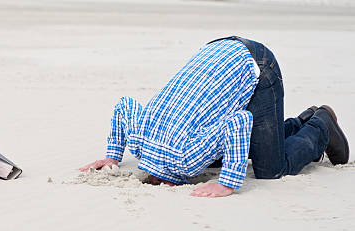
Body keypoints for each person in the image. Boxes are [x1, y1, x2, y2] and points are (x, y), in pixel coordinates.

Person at [80, 36, 349, 198]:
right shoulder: (139, 141)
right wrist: (113, 156)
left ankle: (320, 124)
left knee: (271, 169)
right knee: (225, 153)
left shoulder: (185, 160)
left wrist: (227, 183)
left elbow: (240, 122)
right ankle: (301, 122)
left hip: (256, 64)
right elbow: (124, 105)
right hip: (217, 52)